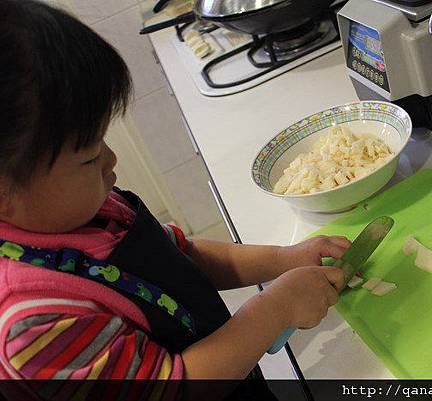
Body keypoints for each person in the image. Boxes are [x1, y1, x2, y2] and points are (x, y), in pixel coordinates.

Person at [0, 0, 349, 398]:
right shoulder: (35, 323)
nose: (111, 161)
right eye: (90, 156)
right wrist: (274, 310)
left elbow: (184, 256)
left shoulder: (85, 210)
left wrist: (283, 259)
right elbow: (175, 388)